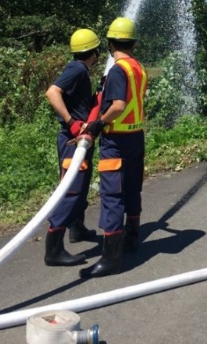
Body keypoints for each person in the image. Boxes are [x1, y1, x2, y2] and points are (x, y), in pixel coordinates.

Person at [80, 17, 148, 278]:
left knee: (112, 196)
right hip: (136, 137)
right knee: (132, 188)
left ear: (110, 45)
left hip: (116, 142)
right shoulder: (138, 68)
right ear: (133, 43)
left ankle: (111, 259)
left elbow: (118, 105)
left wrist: (98, 123)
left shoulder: (119, 70)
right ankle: (131, 239)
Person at [43, 28, 101, 267]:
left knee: (81, 184)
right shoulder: (76, 69)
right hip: (72, 140)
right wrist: (72, 122)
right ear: (94, 52)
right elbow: (52, 92)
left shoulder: (80, 69)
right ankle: (53, 250)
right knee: (72, 190)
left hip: (80, 140)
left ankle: (77, 228)